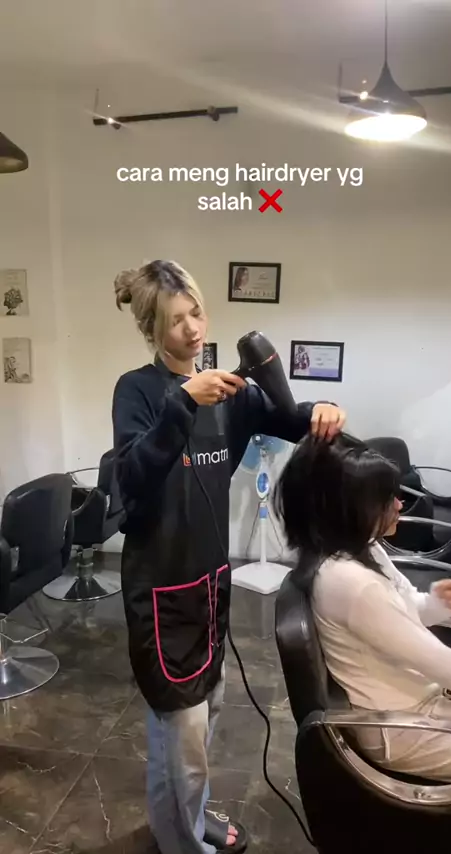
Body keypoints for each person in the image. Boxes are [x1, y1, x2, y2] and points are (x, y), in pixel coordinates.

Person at [110, 259, 347, 854]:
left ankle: (185, 820)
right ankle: (184, 843)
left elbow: (288, 418)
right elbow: (132, 475)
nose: (192, 329)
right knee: (181, 735)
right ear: (151, 329)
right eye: (175, 320)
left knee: (203, 719)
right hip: (162, 590)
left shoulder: (229, 396)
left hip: (211, 584)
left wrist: (320, 411)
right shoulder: (138, 391)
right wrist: (181, 404)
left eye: (196, 312)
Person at [274, 433, 451, 782]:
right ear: (349, 508)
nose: (399, 505)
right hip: (400, 728)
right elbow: (436, 660)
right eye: (386, 499)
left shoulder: (361, 548)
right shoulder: (351, 583)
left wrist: (435, 604)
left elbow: (401, 613)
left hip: (419, 704)